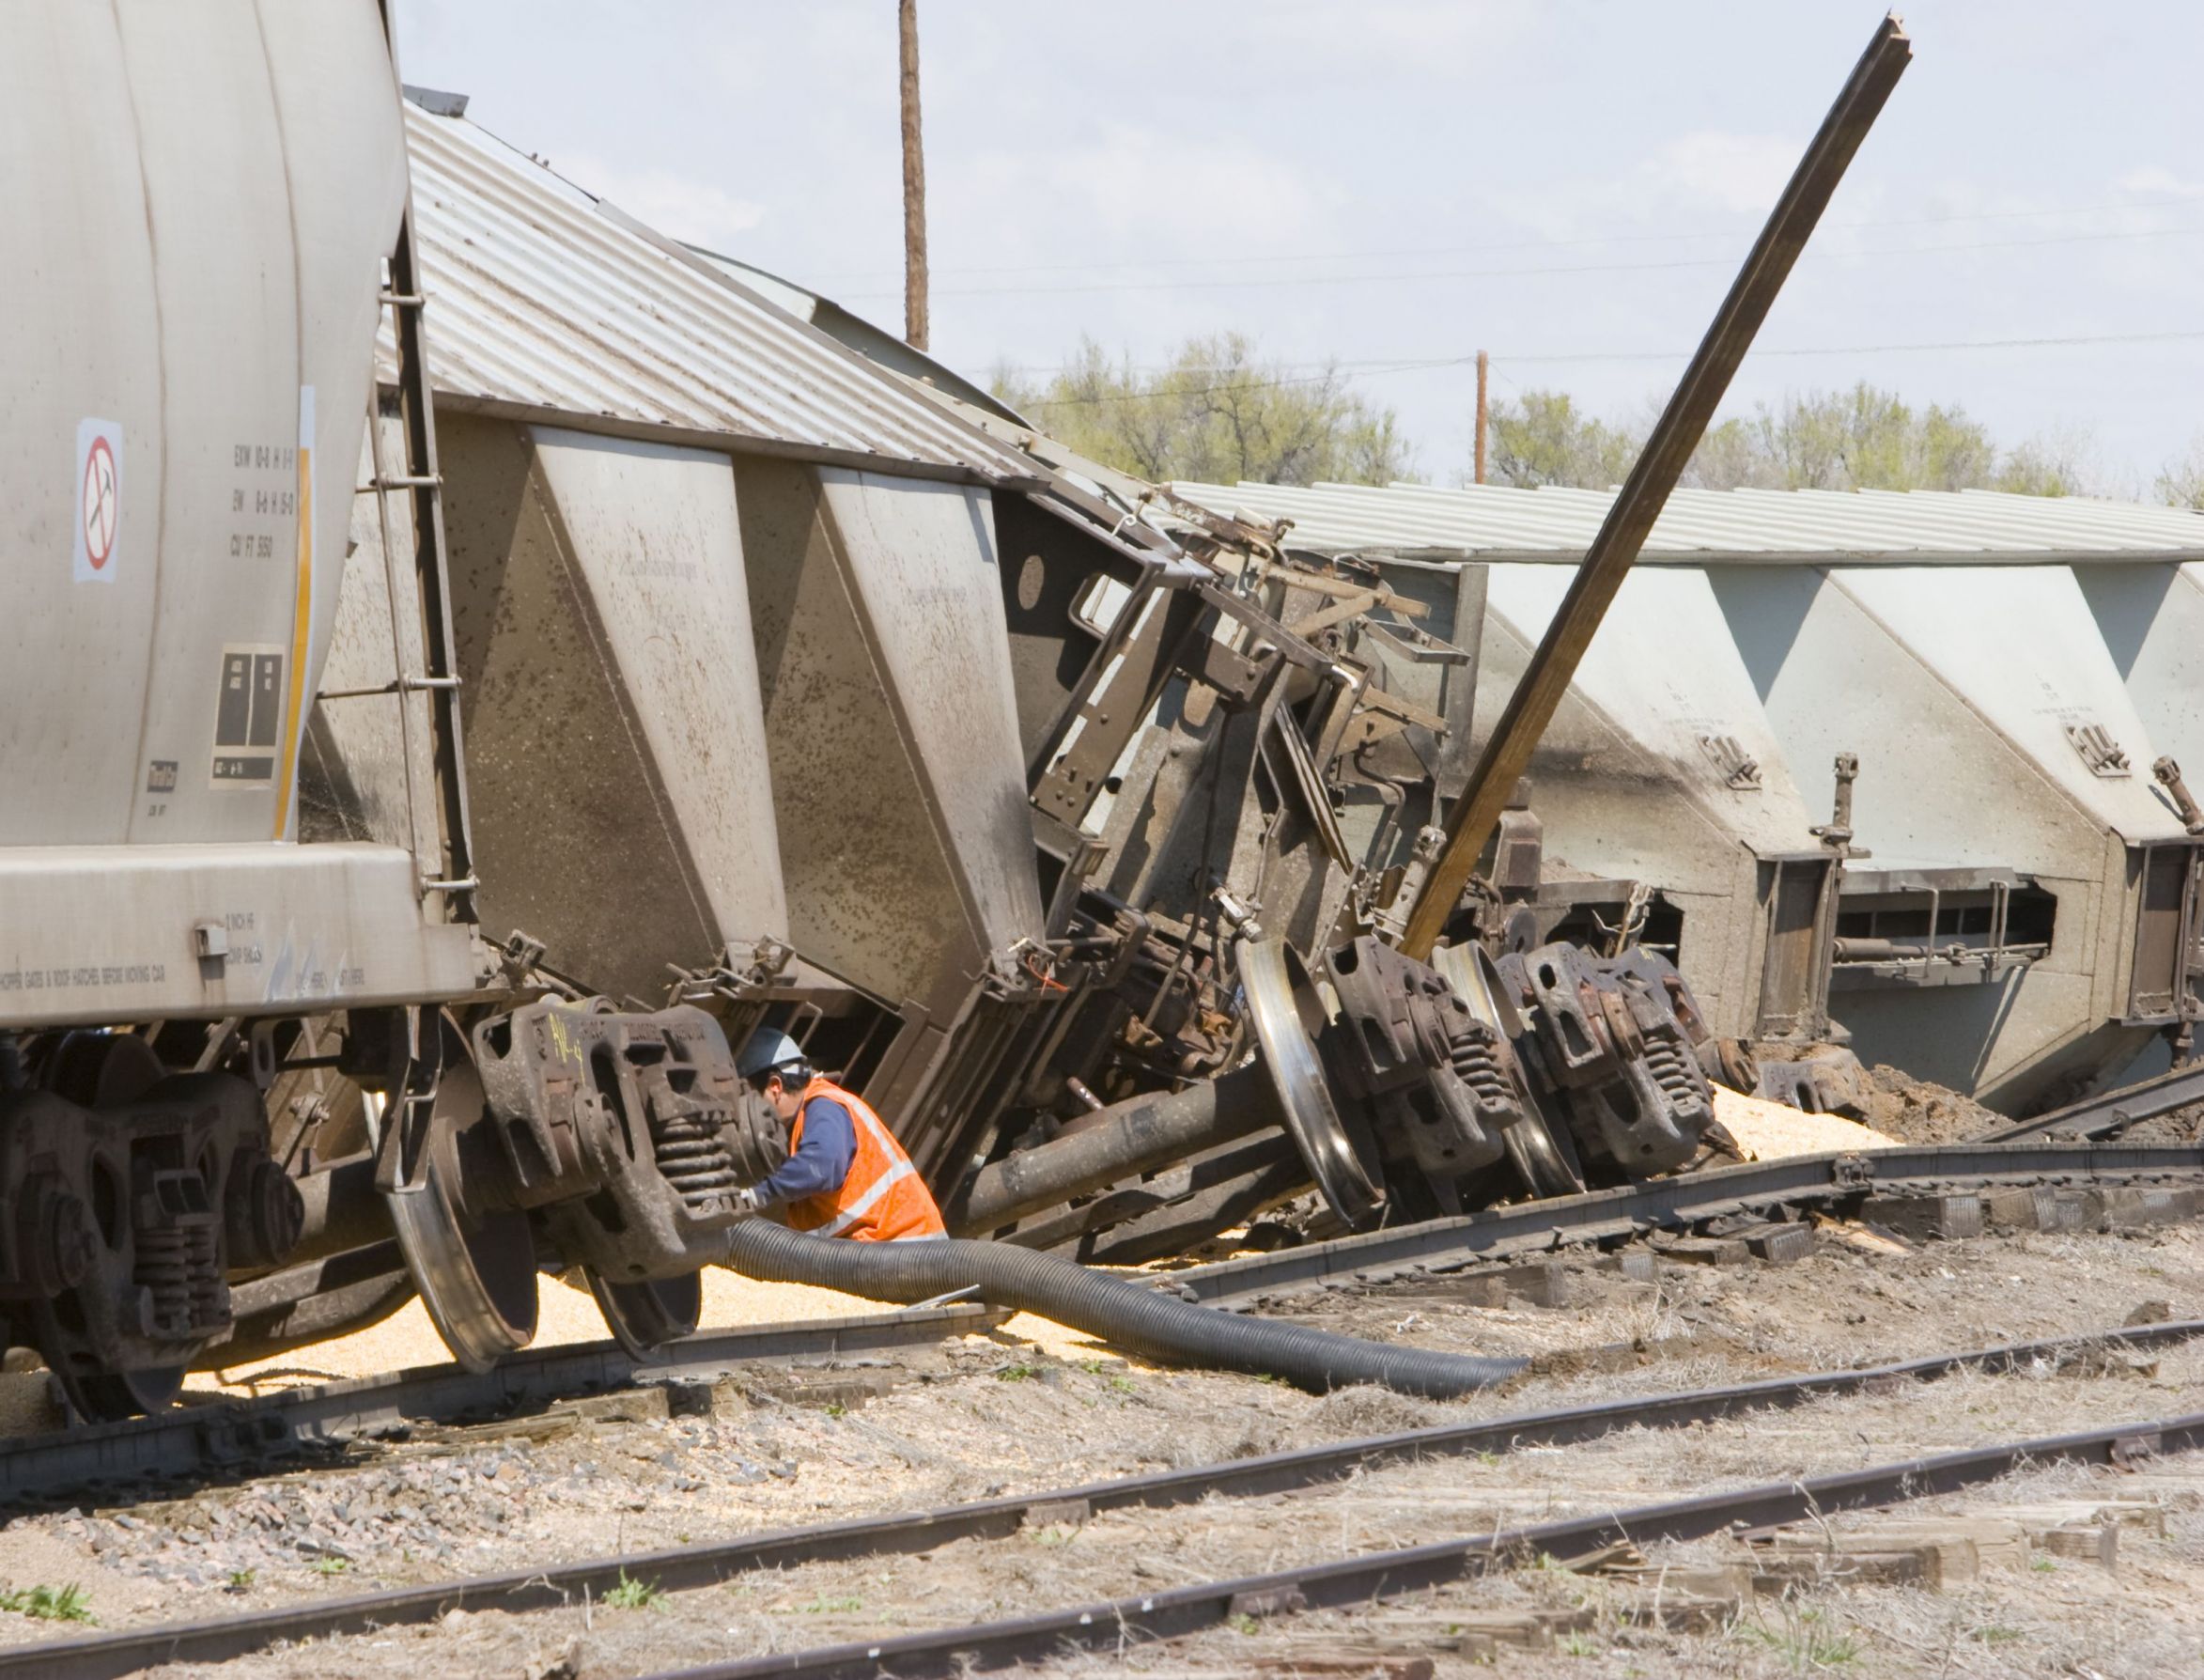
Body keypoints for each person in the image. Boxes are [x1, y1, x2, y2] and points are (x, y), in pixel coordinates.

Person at [731, 1028, 946, 1241]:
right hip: (887, 1251)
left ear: (775, 1087)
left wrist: (757, 1193)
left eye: (751, 1100)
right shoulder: (800, 1122)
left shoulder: (824, 1107)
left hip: (908, 1250)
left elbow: (821, 1165)